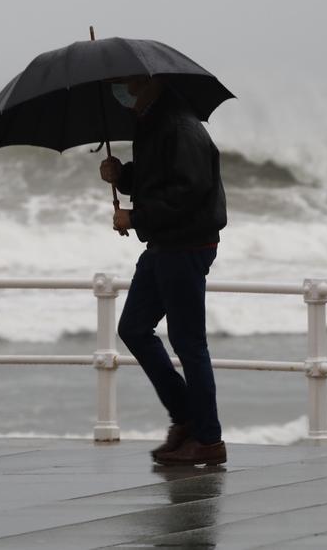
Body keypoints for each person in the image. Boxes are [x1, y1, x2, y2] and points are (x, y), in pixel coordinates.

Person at [99, 75, 228, 466]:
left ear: (147, 82)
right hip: (165, 245)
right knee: (133, 329)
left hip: (187, 245)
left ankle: (208, 439)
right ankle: (187, 418)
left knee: (189, 344)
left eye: (126, 85)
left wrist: (135, 216)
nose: (121, 92)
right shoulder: (153, 122)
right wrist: (122, 176)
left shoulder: (179, 126)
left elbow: (188, 192)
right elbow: (159, 179)